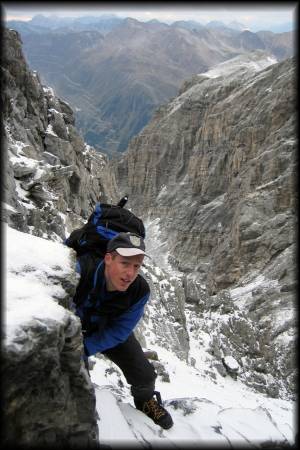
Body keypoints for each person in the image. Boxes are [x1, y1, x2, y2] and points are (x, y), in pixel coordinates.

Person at [74, 232, 174, 430]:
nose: (130, 273)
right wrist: (75, 347)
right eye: (125, 263)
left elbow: (121, 329)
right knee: (77, 384)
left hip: (107, 329)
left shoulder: (139, 290)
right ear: (109, 258)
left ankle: (145, 401)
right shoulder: (81, 271)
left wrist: (86, 348)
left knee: (145, 375)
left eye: (136, 266)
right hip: (72, 330)